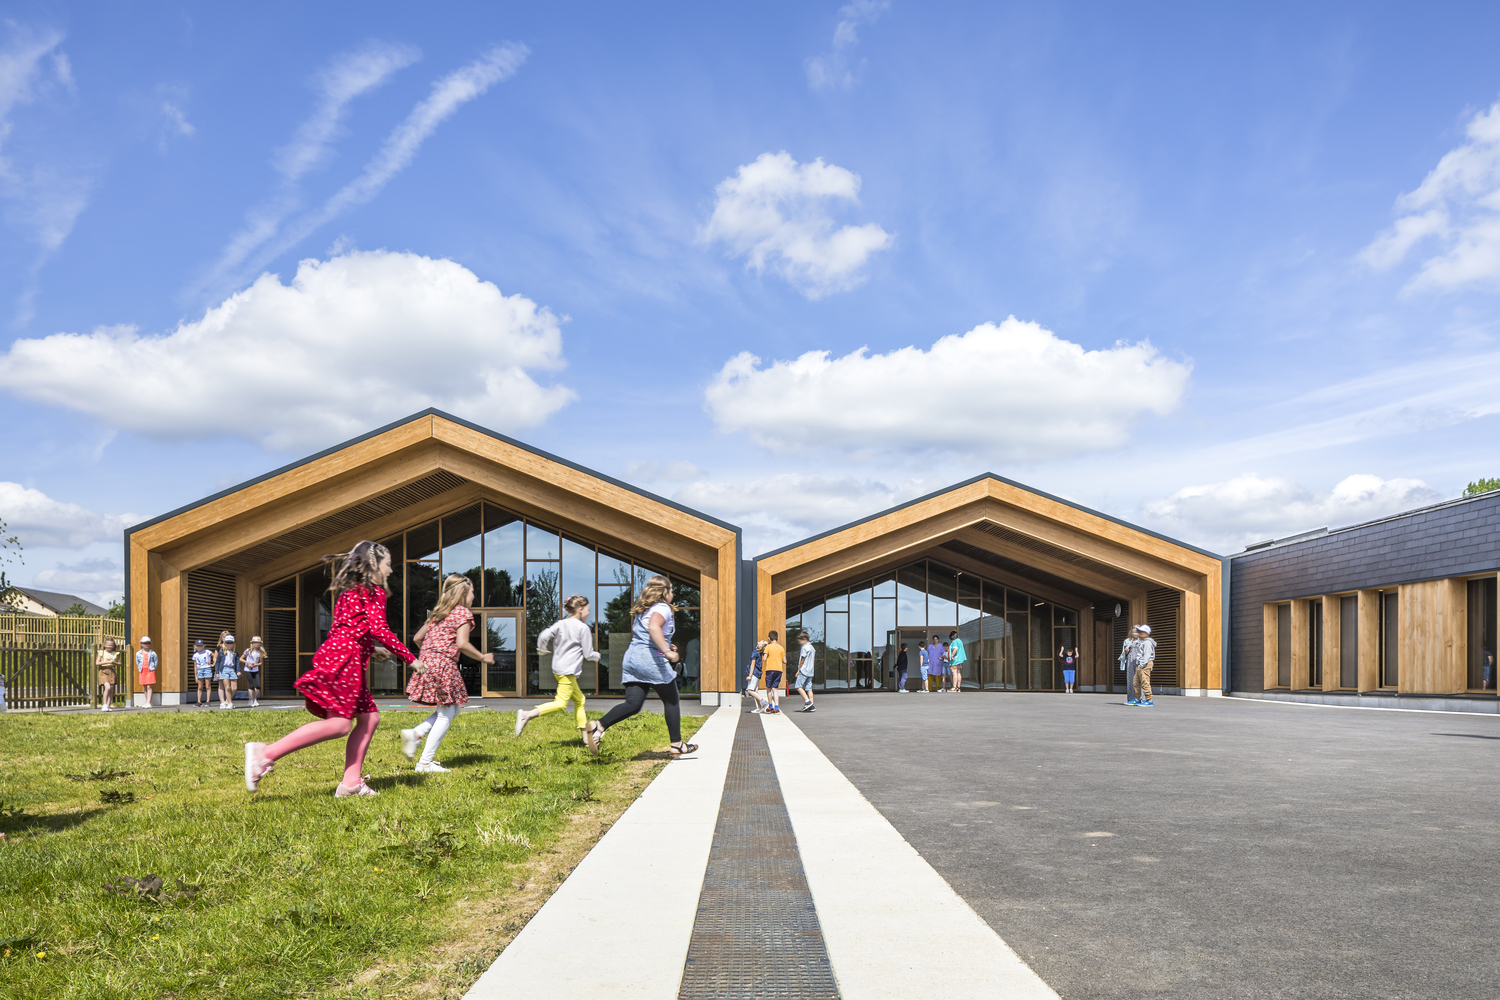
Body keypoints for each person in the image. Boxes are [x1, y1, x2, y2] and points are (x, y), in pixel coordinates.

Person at [244, 541, 418, 797]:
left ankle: (350, 784)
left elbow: (347, 629)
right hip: (345, 661)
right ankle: (265, 753)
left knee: (369, 719)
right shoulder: (373, 591)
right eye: (388, 564)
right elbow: (379, 628)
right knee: (339, 725)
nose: (391, 570)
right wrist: (410, 658)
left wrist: (371, 649)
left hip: (341, 655)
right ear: (373, 564)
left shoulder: (350, 591)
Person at [585, 575, 699, 756]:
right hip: (650, 661)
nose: (673, 593)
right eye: (671, 590)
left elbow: (646, 635)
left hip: (632, 658)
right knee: (671, 699)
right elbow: (653, 627)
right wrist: (667, 651)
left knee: (633, 703)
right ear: (664, 592)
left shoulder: (644, 609)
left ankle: (599, 726)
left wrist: (666, 644)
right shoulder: (663, 608)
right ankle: (677, 744)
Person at [401, 574, 494, 773]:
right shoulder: (462, 613)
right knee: (446, 714)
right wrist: (482, 657)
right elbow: (462, 643)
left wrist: (430, 653)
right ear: (463, 593)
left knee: (452, 709)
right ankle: (424, 763)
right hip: (443, 665)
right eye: (472, 592)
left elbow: (417, 638)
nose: (474, 596)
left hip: (427, 663)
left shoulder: (439, 614)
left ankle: (416, 734)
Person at [516, 594, 600, 753]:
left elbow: (544, 635)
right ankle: (527, 715)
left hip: (559, 670)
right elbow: (588, 654)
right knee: (561, 704)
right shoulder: (583, 628)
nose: (589, 613)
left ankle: (585, 737)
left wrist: (541, 650)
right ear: (580, 609)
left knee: (580, 700)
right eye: (588, 610)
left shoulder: (561, 624)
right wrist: (597, 656)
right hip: (568, 671)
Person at [1129, 625, 1157, 707]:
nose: (1139, 634)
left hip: (1145, 664)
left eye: (1141, 633)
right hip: (1140, 664)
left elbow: (1147, 655)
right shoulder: (1144, 642)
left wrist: (1142, 664)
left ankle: (1149, 700)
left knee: (1145, 682)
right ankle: (1137, 698)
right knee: (1136, 682)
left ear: (1146, 633)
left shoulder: (1147, 643)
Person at [761, 629, 786, 714]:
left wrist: (764, 654)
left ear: (769, 638)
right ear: (777, 638)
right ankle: (777, 707)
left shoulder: (768, 647)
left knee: (769, 688)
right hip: (779, 670)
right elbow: (785, 661)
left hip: (770, 670)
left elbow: (764, 658)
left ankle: (770, 706)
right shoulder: (781, 648)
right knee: (775, 689)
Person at [793, 631, 816, 712]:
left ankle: (807, 702)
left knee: (798, 686)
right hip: (810, 670)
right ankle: (812, 705)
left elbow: (802, 660)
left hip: (804, 669)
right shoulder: (812, 648)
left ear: (805, 639)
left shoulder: (804, 647)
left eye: (800, 640)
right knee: (809, 688)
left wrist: (798, 670)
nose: (799, 642)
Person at [95, 638, 121, 711]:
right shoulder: (101, 653)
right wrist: (106, 662)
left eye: (111, 645)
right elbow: (97, 663)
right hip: (103, 671)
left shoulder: (115, 653)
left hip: (112, 670)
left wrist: (114, 662)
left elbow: (120, 663)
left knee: (111, 689)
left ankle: (108, 705)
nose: (110, 646)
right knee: (108, 687)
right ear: (104, 645)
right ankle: (104, 704)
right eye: (108, 645)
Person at [216, 633, 239, 710]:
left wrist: (238, 670)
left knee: (234, 688)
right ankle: (230, 703)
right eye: (228, 643)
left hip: (232, 669)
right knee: (227, 687)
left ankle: (227, 700)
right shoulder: (221, 651)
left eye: (231, 643)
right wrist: (217, 672)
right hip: (224, 669)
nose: (229, 644)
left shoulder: (235, 652)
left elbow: (237, 662)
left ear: (233, 643)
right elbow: (218, 662)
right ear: (225, 643)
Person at [744, 640, 768, 712]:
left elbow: (753, 664)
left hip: (754, 673)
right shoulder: (759, 653)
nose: (760, 641)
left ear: (761, 645)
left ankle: (763, 702)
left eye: (762, 641)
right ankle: (759, 708)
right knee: (755, 691)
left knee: (750, 690)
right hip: (758, 674)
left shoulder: (755, 652)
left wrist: (750, 675)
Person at [241, 636, 265, 708]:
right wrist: (247, 662)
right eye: (255, 642)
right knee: (251, 685)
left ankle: (254, 698)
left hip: (255, 670)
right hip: (248, 670)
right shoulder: (248, 650)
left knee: (258, 685)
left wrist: (255, 664)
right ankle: (250, 700)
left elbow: (261, 663)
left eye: (258, 643)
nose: (256, 644)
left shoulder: (260, 652)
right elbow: (241, 658)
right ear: (252, 643)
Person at [135, 636, 157, 709]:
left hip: (150, 670)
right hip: (142, 671)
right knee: (145, 686)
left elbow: (156, 661)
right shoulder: (138, 653)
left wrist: (153, 668)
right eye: (145, 643)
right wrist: (139, 668)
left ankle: (149, 702)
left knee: (149, 686)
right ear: (141, 644)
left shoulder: (153, 653)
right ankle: (146, 701)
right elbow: (137, 662)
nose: (146, 644)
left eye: (148, 643)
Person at [192, 639, 214, 709]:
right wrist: (195, 675)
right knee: (200, 687)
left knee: (208, 686)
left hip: (207, 668)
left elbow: (215, 656)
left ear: (204, 646)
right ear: (195, 646)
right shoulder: (195, 655)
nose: (199, 647)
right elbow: (195, 666)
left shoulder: (207, 652)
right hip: (199, 670)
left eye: (201, 646)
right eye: (198, 646)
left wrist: (213, 664)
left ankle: (208, 701)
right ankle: (199, 701)